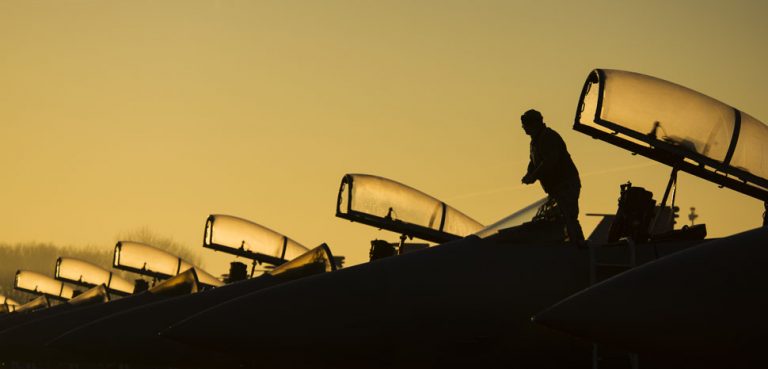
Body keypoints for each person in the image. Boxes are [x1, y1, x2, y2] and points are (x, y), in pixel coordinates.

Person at [519, 109, 585, 245]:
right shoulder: (535, 142)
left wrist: (534, 176)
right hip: (555, 188)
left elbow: (550, 161)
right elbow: (533, 161)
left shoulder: (549, 137)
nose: (524, 128)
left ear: (536, 123)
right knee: (556, 217)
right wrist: (528, 174)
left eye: (527, 124)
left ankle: (578, 245)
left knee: (568, 216)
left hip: (566, 185)